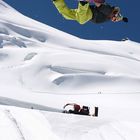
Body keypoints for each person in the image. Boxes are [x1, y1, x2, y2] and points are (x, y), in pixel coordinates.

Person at [52, 0, 128, 24]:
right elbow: (100, 6)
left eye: (114, 21)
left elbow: (119, 18)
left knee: (67, 15)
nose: (113, 20)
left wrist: (123, 19)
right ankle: (83, 3)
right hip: (89, 13)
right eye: (114, 19)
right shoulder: (109, 11)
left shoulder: (109, 15)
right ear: (115, 14)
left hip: (85, 12)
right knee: (81, 20)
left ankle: (57, 1)